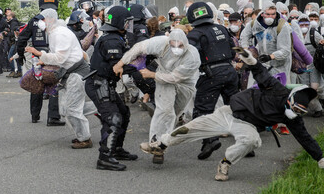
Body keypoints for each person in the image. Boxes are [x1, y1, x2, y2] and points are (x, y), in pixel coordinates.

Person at [139, 50, 324, 181]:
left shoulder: (293, 118)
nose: (296, 113)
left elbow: (305, 138)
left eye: (301, 111)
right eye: (295, 108)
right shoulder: (277, 90)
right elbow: (261, 74)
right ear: (290, 98)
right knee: (190, 128)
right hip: (229, 113)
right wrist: (250, 60)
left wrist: (320, 157)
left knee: (251, 141)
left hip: (248, 126)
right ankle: (161, 144)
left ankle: (225, 164)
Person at [113, 29, 201, 164]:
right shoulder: (161, 43)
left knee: (176, 112)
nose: (176, 48)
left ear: (186, 43)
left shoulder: (192, 56)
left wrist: (152, 75)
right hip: (162, 77)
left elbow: (175, 77)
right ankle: (156, 145)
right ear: (168, 42)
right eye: (173, 45)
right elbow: (138, 48)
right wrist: (120, 63)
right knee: (165, 111)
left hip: (185, 82)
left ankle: (163, 138)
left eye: (180, 46)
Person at [26, 8, 95, 148]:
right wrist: (45, 60)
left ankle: (84, 138)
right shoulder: (53, 33)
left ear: (51, 19)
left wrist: (39, 54)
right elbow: (59, 56)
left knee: (72, 110)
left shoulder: (60, 34)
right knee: (64, 109)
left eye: (43, 19)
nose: (40, 23)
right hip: (68, 73)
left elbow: (60, 58)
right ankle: (99, 107)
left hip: (77, 72)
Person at [85, 6, 138, 171]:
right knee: (112, 118)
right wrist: (141, 69)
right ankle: (105, 157)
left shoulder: (115, 37)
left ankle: (116, 149)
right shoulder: (111, 40)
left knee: (123, 113)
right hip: (99, 83)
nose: (129, 25)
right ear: (119, 22)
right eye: (127, 22)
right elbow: (117, 67)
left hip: (105, 83)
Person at [186, 1, 239, 160]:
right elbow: (233, 49)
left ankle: (210, 140)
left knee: (202, 110)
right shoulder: (222, 28)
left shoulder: (194, 34)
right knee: (236, 108)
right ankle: (245, 142)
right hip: (230, 72)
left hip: (210, 74)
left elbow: (191, 56)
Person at [16, 0, 65, 126]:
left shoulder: (33, 21)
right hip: (52, 57)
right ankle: (53, 117)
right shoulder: (59, 22)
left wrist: (20, 55)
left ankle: (34, 115)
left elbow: (21, 39)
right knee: (54, 84)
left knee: (36, 84)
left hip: (37, 57)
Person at [6, 11, 22, 78]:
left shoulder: (13, 23)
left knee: (10, 56)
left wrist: (7, 33)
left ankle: (13, 71)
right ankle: (19, 71)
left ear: (10, 16)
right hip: (15, 41)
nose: (6, 17)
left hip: (14, 42)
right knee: (16, 57)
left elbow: (13, 33)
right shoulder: (14, 22)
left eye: (7, 16)